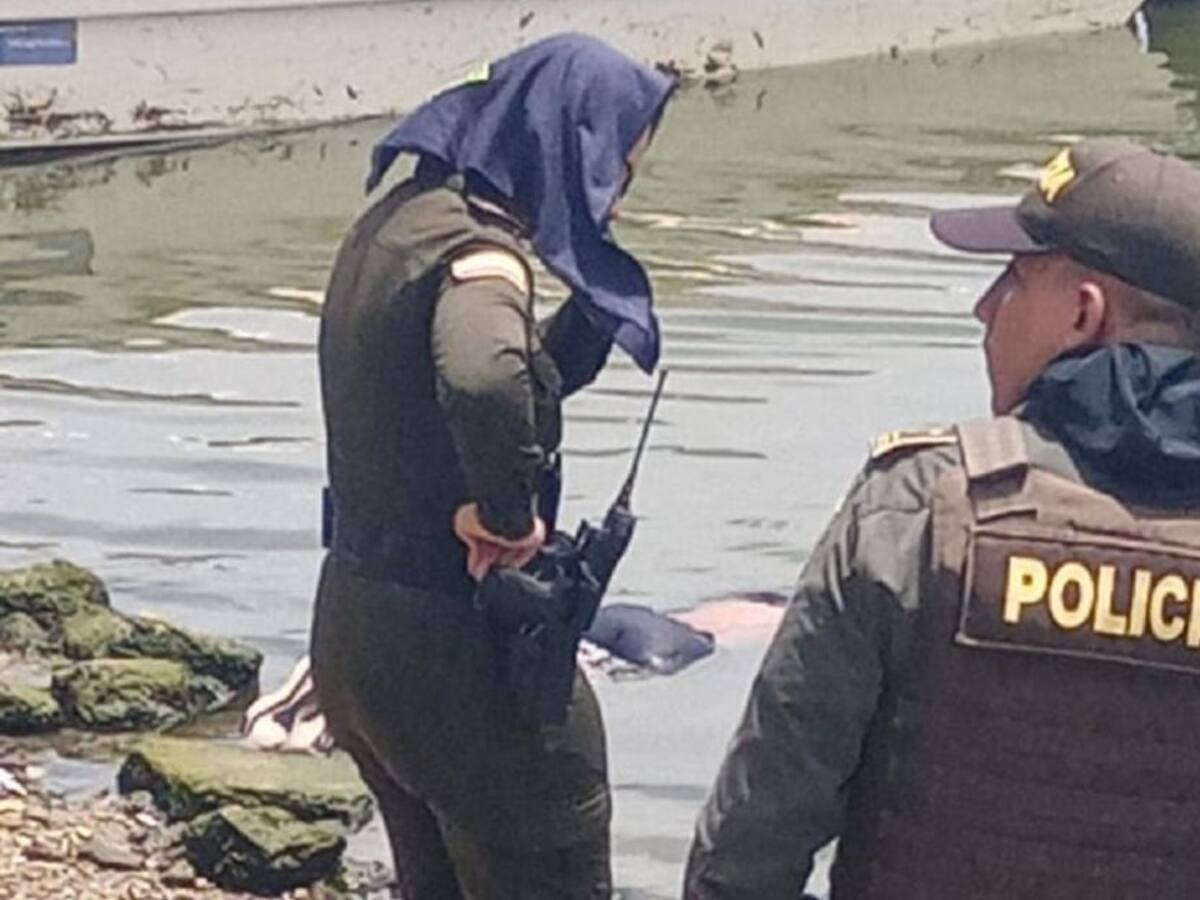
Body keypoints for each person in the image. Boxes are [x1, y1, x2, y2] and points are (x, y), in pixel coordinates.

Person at [683, 137, 1200, 900]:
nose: (984, 306)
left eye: (1016, 280)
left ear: (1084, 315)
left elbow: (755, 840)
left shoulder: (920, 504)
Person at [309, 33, 673, 900]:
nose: (616, 192)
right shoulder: (480, 253)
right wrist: (508, 520)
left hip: (359, 632)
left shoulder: (402, 220)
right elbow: (479, 374)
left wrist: (584, 319)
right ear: (569, 145)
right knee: (552, 858)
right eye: (617, 168)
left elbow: (463, 390)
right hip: (456, 654)